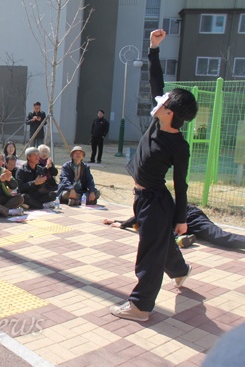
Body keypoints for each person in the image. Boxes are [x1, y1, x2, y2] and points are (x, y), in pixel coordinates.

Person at [109, 29, 198, 322]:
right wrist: (153, 49)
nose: (159, 99)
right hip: (143, 197)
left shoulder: (178, 145)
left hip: (156, 202)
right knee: (160, 243)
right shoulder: (159, 123)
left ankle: (140, 307)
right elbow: (156, 81)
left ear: (170, 111)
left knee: (150, 252)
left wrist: (182, 218)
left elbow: (181, 184)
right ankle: (181, 271)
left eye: (165, 99)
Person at [104, 204, 245, 250]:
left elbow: (139, 216)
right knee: (213, 239)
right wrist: (118, 221)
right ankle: (184, 238)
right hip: (185, 225)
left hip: (191, 217)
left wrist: (121, 224)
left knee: (218, 237)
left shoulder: (154, 199)